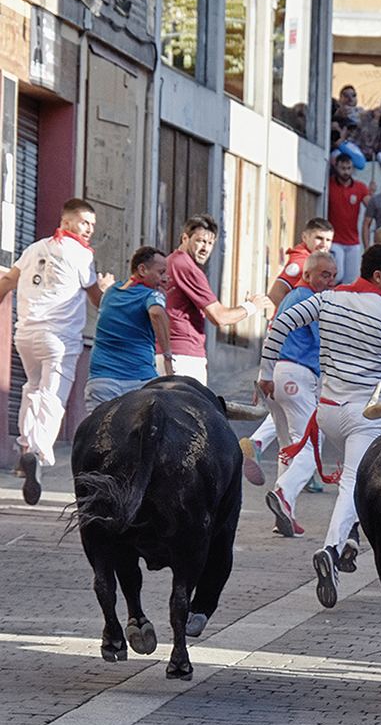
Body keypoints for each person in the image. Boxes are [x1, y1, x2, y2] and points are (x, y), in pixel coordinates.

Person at [259, 244, 381, 608]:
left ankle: (348, 541)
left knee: (346, 473)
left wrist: (266, 371)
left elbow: (280, 323)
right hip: (366, 412)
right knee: (353, 483)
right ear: (378, 276)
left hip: (328, 408)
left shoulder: (328, 299)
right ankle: (332, 548)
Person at [0, 198, 115, 500]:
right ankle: (36, 452)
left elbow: (7, 281)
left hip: (25, 334)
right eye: (84, 222)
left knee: (33, 388)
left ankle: (25, 447)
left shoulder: (34, 248)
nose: (89, 229)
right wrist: (105, 286)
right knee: (52, 395)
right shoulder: (81, 255)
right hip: (59, 339)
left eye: (92, 224)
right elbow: (97, 300)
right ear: (66, 222)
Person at [261, 250, 338, 538]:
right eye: (324, 275)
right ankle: (283, 493)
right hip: (299, 374)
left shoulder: (291, 297)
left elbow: (273, 334)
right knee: (310, 447)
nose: (329, 281)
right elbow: (326, 343)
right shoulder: (314, 301)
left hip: (276, 374)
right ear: (307, 275)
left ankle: (286, 511)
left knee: (288, 448)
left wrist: (263, 375)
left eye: (333, 275)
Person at [161, 213, 272, 384]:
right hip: (184, 356)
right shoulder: (186, 266)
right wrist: (252, 306)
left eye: (210, 243)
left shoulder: (172, 261)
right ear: (185, 238)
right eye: (200, 241)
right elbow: (219, 316)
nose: (205, 248)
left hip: (169, 353)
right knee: (194, 410)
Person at [84, 246, 172, 412]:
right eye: (161, 273)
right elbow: (157, 313)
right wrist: (167, 358)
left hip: (101, 382)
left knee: (97, 435)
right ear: (142, 269)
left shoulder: (111, 291)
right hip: (138, 383)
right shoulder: (151, 295)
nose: (166, 278)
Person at [268, 218, 335, 307]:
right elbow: (275, 294)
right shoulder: (301, 263)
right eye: (319, 238)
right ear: (304, 237)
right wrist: (292, 317)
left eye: (328, 240)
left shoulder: (315, 259)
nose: (324, 244)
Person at [327, 153, 371, 284]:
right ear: (336, 167)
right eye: (342, 168)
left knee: (350, 281)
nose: (346, 172)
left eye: (348, 168)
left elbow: (372, 207)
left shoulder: (360, 187)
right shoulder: (328, 184)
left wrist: (372, 195)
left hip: (353, 241)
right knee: (337, 276)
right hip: (334, 240)